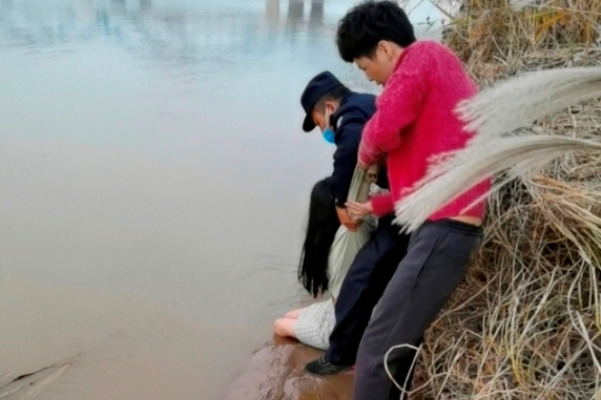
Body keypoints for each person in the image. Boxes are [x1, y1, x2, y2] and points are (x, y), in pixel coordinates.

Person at [333, 1, 491, 399]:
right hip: (441, 225)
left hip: (445, 228)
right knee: (399, 348)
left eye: (367, 68)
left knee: (374, 348)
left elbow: (381, 128)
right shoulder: (432, 76)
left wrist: (366, 154)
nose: (374, 83)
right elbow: (413, 187)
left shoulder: (422, 57)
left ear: (386, 49)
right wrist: (379, 201)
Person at [273, 71, 383, 349]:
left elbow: (348, 154)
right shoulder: (370, 105)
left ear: (331, 108)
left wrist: (341, 204)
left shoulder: (350, 228)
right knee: (292, 315)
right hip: (348, 308)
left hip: (346, 323)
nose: (325, 131)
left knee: (280, 325)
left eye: (321, 123)